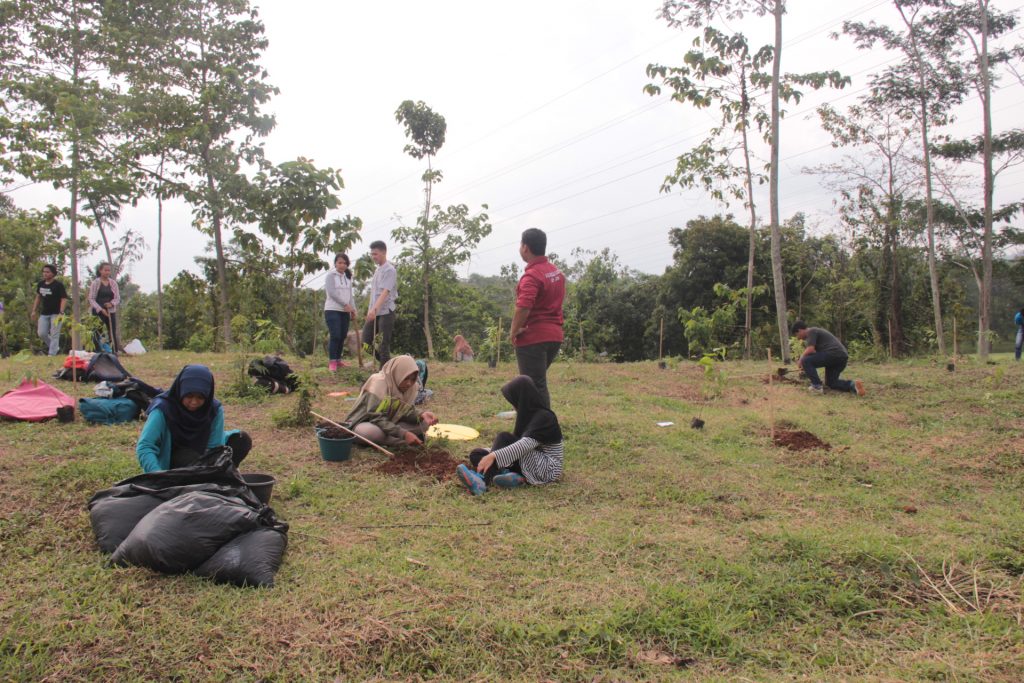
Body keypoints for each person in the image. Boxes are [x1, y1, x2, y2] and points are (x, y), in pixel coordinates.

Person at [456, 375, 564, 495]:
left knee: (504, 438)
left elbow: (524, 445)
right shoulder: (527, 415)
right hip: (529, 461)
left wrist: (492, 456)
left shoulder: (545, 417)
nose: (513, 405)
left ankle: (482, 481)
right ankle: (513, 477)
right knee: (477, 454)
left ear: (522, 398)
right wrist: (490, 453)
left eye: (513, 400)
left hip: (547, 469)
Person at [136, 365, 252, 472]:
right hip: (174, 457)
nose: (194, 402)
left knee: (241, 440)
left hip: (202, 453)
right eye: (189, 396)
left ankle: (217, 475)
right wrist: (157, 474)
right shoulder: (163, 409)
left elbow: (215, 448)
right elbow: (145, 446)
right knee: (188, 457)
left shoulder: (213, 409)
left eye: (200, 397)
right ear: (181, 390)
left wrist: (214, 468)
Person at [509, 228, 565, 409]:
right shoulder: (556, 272)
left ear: (525, 247)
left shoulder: (531, 276)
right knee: (535, 383)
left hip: (533, 338)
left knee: (535, 386)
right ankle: (530, 422)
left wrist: (514, 331)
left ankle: (544, 430)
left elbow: (523, 307)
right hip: (554, 337)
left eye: (520, 244)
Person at [344, 355, 438, 447]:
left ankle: (397, 438)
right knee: (371, 432)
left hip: (389, 423)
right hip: (364, 424)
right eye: (406, 378)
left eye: (413, 379)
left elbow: (405, 411)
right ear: (398, 373)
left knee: (424, 424)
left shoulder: (411, 388)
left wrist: (421, 414)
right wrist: (403, 434)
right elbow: (376, 418)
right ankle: (399, 442)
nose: (409, 383)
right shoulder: (378, 383)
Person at [792, 321, 866, 396]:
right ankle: (853, 385)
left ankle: (816, 386)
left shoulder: (811, 331)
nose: (798, 338)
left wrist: (801, 360)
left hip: (833, 354)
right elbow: (814, 354)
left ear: (800, 330)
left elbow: (810, 349)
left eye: (796, 335)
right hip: (841, 357)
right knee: (831, 383)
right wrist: (807, 367)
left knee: (805, 360)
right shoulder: (813, 334)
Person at [361, 240, 397, 366]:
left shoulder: (390, 270)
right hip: (374, 311)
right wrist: (370, 310)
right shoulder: (378, 270)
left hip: (386, 312)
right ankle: (388, 363)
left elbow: (385, 293)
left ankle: (385, 372)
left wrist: (374, 310)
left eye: (375, 254)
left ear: (383, 252)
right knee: (365, 342)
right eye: (372, 254)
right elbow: (374, 294)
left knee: (383, 344)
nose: (373, 257)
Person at [324, 253, 357, 372]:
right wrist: (345, 304)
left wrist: (353, 309)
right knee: (336, 335)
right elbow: (332, 293)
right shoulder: (331, 276)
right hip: (332, 310)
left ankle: (338, 360)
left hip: (345, 311)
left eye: (344, 263)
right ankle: (332, 361)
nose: (342, 265)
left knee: (343, 335)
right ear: (335, 263)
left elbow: (350, 295)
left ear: (347, 264)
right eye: (340, 262)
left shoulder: (348, 277)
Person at [30, 264, 68, 356]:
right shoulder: (41, 284)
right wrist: (34, 310)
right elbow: (38, 297)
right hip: (44, 313)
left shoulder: (58, 285)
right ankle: (55, 348)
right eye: (44, 272)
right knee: (41, 333)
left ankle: (52, 354)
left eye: (47, 272)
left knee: (55, 333)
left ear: (53, 273)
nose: (45, 274)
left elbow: (64, 299)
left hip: (56, 313)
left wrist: (61, 312)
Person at [88, 262, 121, 353]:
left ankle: (114, 350)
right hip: (98, 311)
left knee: (112, 330)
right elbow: (91, 298)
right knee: (97, 331)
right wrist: (100, 309)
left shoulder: (113, 283)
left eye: (109, 270)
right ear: (100, 271)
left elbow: (117, 298)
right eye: (105, 270)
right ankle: (97, 351)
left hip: (110, 310)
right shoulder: (96, 283)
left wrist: (111, 303)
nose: (107, 272)